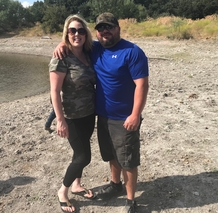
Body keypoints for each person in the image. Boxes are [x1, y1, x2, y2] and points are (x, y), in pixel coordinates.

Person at [54, 12, 149, 213]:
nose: (105, 31)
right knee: (111, 155)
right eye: (100, 28)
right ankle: (115, 185)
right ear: (96, 33)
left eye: (109, 27)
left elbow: (142, 85)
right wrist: (62, 44)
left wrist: (135, 115)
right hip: (102, 115)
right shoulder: (94, 48)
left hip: (124, 117)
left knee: (128, 160)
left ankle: (131, 201)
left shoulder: (132, 51)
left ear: (118, 28)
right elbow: (74, 43)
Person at [49, 14, 96, 213]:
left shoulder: (88, 53)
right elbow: (54, 91)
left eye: (81, 30)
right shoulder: (60, 57)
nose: (77, 34)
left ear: (86, 33)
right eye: (72, 30)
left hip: (89, 113)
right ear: (67, 33)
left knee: (81, 151)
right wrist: (60, 121)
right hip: (72, 116)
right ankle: (63, 191)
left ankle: (77, 184)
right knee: (83, 156)